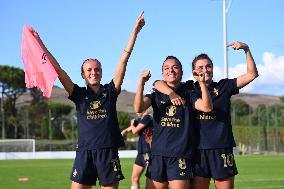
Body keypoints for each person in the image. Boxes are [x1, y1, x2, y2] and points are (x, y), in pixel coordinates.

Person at [31, 12, 145, 189]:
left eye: (97, 69)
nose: (94, 72)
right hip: (84, 153)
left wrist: (134, 31)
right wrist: (40, 43)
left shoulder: (110, 91)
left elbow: (124, 60)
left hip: (108, 152)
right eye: (89, 70)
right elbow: (58, 70)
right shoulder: (78, 94)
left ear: (101, 72)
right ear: (83, 75)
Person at [153, 41, 258, 189]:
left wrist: (246, 49)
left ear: (213, 69)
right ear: (194, 72)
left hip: (221, 148)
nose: (205, 70)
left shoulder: (224, 86)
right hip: (197, 151)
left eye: (208, 66)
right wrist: (170, 93)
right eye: (200, 67)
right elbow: (157, 83)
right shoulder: (188, 88)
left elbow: (252, 74)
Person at [134, 56, 213, 189]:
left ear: (182, 72)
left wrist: (202, 84)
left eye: (175, 67)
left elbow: (207, 107)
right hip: (158, 154)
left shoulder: (188, 91)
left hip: (180, 155)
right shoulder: (155, 91)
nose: (170, 70)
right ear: (163, 73)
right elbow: (138, 108)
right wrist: (141, 83)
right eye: (166, 68)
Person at [121, 110, 153, 189]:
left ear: (145, 109)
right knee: (134, 178)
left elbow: (134, 130)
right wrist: (125, 131)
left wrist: (132, 124)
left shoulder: (147, 118)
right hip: (141, 153)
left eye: (140, 109)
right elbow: (131, 129)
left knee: (152, 179)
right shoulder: (140, 120)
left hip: (148, 152)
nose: (137, 111)